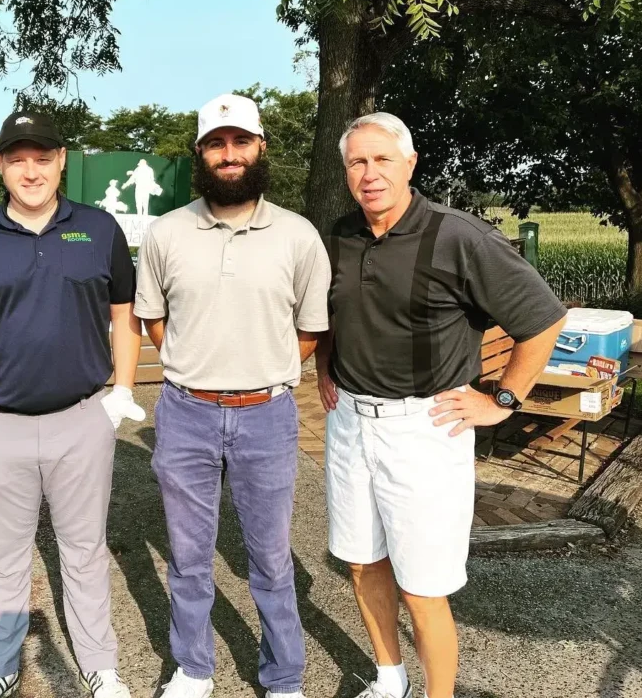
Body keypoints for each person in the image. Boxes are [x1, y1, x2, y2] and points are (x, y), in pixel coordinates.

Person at [316, 113, 567, 698]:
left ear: (410, 162)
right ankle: (389, 678)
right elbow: (331, 310)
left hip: (425, 428)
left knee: (423, 588)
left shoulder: (459, 236)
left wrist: (504, 398)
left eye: (382, 159)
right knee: (361, 563)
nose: (369, 173)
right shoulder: (341, 235)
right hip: (351, 424)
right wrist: (326, 367)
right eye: (357, 162)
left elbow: (543, 319)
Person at [0, 111, 145, 698]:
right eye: (18, 158)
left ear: (62, 161)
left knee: (83, 551)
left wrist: (120, 392)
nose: (31, 170)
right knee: (5, 556)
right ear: (0, 164)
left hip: (82, 420)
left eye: (42, 157)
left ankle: (100, 665)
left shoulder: (98, 230)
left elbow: (124, 316)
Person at [134, 93, 331, 698]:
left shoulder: (297, 236)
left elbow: (309, 328)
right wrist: (200, 369)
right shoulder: (167, 233)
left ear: (260, 147)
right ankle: (193, 669)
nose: (229, 155)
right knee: (189, 558)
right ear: (200, 153)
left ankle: (284, 677)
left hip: (266, 415)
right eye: (216, 144)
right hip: (186, 412)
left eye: (239, 141)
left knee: (271, 561)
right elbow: (156, 321)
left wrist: (260, 368)